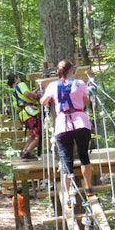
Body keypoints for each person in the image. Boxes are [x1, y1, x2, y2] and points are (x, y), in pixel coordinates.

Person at [40, 59, 94, 207]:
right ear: (71, 71)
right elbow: (85, 101)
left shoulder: (52, 85)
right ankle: (88, 188)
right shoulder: (80, 83)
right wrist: (88, 92)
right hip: (81, 123)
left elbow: (43, 101)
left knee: (66, 161)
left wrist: (44, 95)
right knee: (84, 156)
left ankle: (69, 194)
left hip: (62, 125)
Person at [7, 74, 42, 161]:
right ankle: (27, 153)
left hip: (24, 114)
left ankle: (24, 152)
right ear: (15, 79)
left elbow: (26, 96)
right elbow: (27, 94)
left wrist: (37, 89)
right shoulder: (21, 85)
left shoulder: (14, 92)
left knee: (33, 135)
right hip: (31, 112)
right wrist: (37, 96)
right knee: (38, 136)